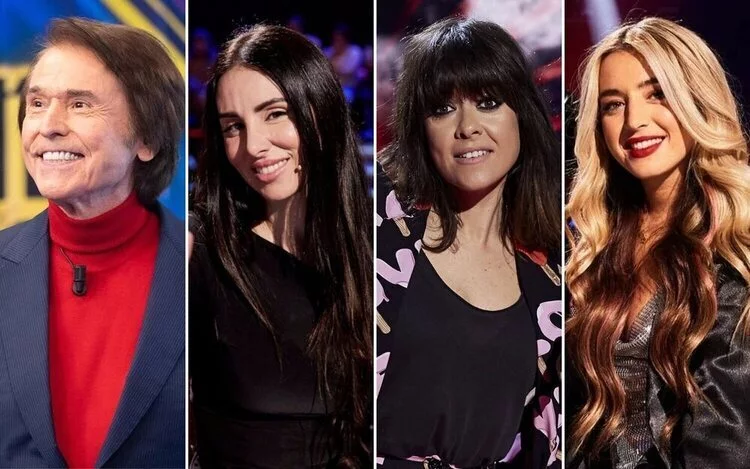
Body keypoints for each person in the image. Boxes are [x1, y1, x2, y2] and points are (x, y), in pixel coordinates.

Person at [376, 17, 562, 468]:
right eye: (442, 109)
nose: (467, 127)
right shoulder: (377, 228)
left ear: (521, 114)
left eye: (488, 102)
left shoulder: (555, 266)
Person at [566, 17, 750, 469]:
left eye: (658, 94)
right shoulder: (591, 245)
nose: (634, 121)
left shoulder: (735, 243)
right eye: (613, 105)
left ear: (697, 100)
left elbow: (724, 438)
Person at [0, 17, 184, 467]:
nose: (48, 125)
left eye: (79, 104)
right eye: (37, 103)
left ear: (146, 138)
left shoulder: (201, 267)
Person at [189, 24, 372, 468]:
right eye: (233, 127)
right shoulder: (199, 250)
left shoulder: (374, 247)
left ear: (319, 110)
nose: (253, 146)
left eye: (274, 114)